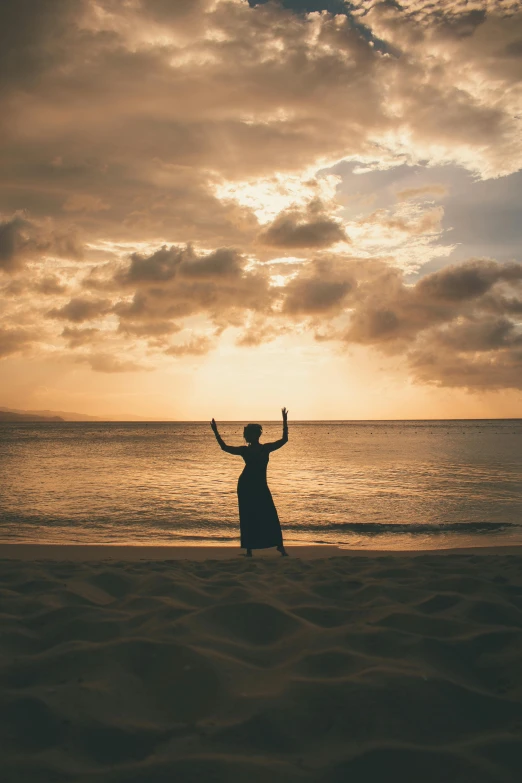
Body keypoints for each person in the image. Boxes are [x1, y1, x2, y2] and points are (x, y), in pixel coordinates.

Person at [211, 408, 289, 557]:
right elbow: (224, 447)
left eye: (252, 434)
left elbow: (284, 440)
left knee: (269, 514)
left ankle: (280, 546)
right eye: (249, 434)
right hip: (246, 486)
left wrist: (284, 421)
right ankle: (249, 549)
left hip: (260, 486)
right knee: (248, 515)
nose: (249, 436)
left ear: (257, 435)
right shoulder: (244, 450)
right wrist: (215, 431)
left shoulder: (265, 448)